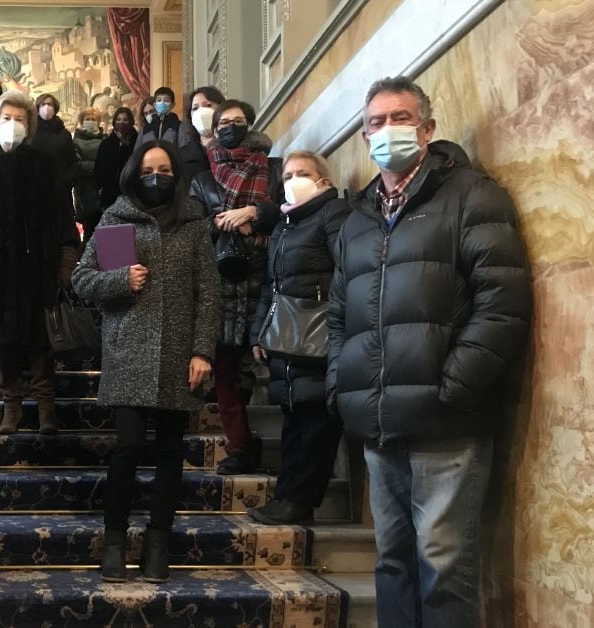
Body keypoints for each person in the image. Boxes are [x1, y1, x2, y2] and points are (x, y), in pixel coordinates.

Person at [327, 77, 531, 628]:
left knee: (444, 567)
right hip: (378, 422)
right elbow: (338, 317)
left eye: (399, 118)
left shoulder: (471, 195)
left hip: (448, 426)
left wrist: (453, 388)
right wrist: (340, 386)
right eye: (374, 123)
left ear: (427, 128)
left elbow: (504, 304)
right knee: (392, 563)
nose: (386, 130)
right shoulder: (358, 220)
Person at [73, 140, 220, 584]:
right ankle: (114, 542)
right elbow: (81, 281)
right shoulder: (114, 219)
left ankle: (159, 544)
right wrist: (120, 279)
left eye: (165, 169)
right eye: (148, 169)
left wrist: (203, 351)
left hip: (180, 354)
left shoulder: (193, 224)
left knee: (171, 452)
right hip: (127, 350)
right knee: (130, 446)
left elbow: (209, 293)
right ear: (135, 173)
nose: (156, 176)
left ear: (177, 175)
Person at [0, 90, 79, 436]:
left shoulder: (43, 165)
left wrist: (66, 263)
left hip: (38, 267)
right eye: (7, 119)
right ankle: (11, 406)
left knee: (41, 339)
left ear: (30, 125)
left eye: (20, 119)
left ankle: (45, 409)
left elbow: (61, 216)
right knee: (3, 340)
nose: (13, 125)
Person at [244, 151, 349, 525]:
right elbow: (270, 286)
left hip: (318, 340)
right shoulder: (285, 225)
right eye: (287, 174)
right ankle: (285, 496)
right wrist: (260, 332)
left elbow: (348, 271)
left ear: (323, 179)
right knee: (293, 423)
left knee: (316, 426)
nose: (293, 179)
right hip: (286, 340)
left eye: (302, 173)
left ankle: (300, 502)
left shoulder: (334, 215)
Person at [190, 99, 283, 475]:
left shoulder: (274, 169)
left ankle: (288, 448)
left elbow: (291, 206)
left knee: (273, 361)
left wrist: (257, 213)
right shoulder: (202, 178)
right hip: (221, 278)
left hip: (268, 276)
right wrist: (226, 222)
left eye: (238, 121)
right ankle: (241, 446)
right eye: (223, 122)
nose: (231, 127)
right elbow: (194, 226)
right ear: (214, 129)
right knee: (226, 370)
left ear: (250, 125)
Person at [72, 107, 105, 244]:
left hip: (103, 191)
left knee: (105, 235)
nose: (90, 121)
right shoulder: (75, 141)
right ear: (82, 121)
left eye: (93, 119)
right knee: (89, 234)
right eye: (87, 119)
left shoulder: (106, 140)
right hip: (84, 192)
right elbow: (77, 165)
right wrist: (99, 166)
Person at [95, 106, 138, 211]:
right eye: (118, 120)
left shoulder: (137, 142)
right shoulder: (106, 144)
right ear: (114, 122)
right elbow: (99, 168)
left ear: (131, 122)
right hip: (109, 194)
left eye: (125, 120)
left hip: (131, 193)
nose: (121, 123)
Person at [179, 86, 224, 180]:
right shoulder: (183, 154)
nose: (201, 112)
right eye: (195, 108)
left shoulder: (234, 146)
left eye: (208, 105)